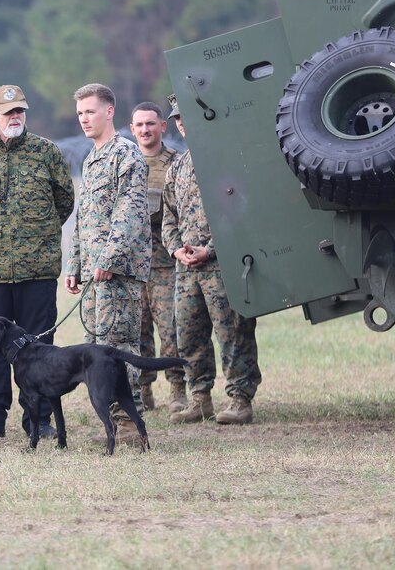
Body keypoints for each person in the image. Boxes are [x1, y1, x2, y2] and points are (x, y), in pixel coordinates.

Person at [0, 85, 76, 439]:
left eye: (20, 111)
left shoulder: (46, 152)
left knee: (39, 350)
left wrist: (35, 237)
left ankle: (38, 420)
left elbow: (64, 202)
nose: (15, 118)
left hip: (37, 271)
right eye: (8, 113)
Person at [162, 94, 262, 424]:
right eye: (177, 118)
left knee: (233, 333)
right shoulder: (177, 165)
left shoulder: (229, 158)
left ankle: (239, 399)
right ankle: (199, 398)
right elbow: (169, 216)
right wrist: (177, 248)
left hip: (223, 265)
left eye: (186, 116)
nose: (181, 122)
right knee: (188, 334)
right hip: (187, 269)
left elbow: (244, 213)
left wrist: (210, 249)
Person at [65, 83, 151, 446]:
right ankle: (112, 424)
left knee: (119, 346)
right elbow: (84, 218)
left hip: (117, 274)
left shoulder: (125, 155)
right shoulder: (92, 158)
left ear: (109, 111)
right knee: (97, 350)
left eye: (91, 111)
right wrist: (75, 265)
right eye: (80, 113)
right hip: (92, 277)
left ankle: (131, 425)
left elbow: (129, 213)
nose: (85, 119)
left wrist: (109, 260)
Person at [129, 101, 185, 413]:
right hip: (134, 265)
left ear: (162, 126)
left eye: (151, 124)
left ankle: (178, 390)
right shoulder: (126, 161)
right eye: (139, 125)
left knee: (171, 328)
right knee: (137, 331)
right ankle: (143, 391)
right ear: (132, 128)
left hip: (166, 262)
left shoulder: (176, 163)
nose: (145, 130)